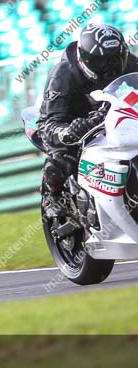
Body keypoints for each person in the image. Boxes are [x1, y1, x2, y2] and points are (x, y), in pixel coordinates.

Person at [37, 23, 138, 220]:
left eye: (116, 58)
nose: (111, 66)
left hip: (113, 115)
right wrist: (68, 131)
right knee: (62, 157)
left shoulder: (130, 63)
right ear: (85, 58)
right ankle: (52, 196)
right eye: (102, 62)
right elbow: (50, 124)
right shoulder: (63, 75)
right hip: (71, 120)